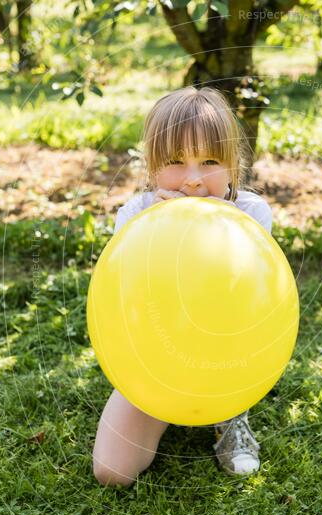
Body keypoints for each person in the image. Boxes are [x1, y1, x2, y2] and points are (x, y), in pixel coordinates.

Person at [93, 86, 274, 487]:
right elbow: (127, 296)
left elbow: (252, 302)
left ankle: (230, 412)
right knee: (112, 473)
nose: (192, 180)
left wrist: (224, 228)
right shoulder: (137, 215)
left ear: (231, 165)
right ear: (153, 166)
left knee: (223, 369)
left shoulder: (251, 213)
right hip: (155, 360)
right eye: (176, 162)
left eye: (209, 161)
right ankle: (162, 404)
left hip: (226, 356)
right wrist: (157, 232)